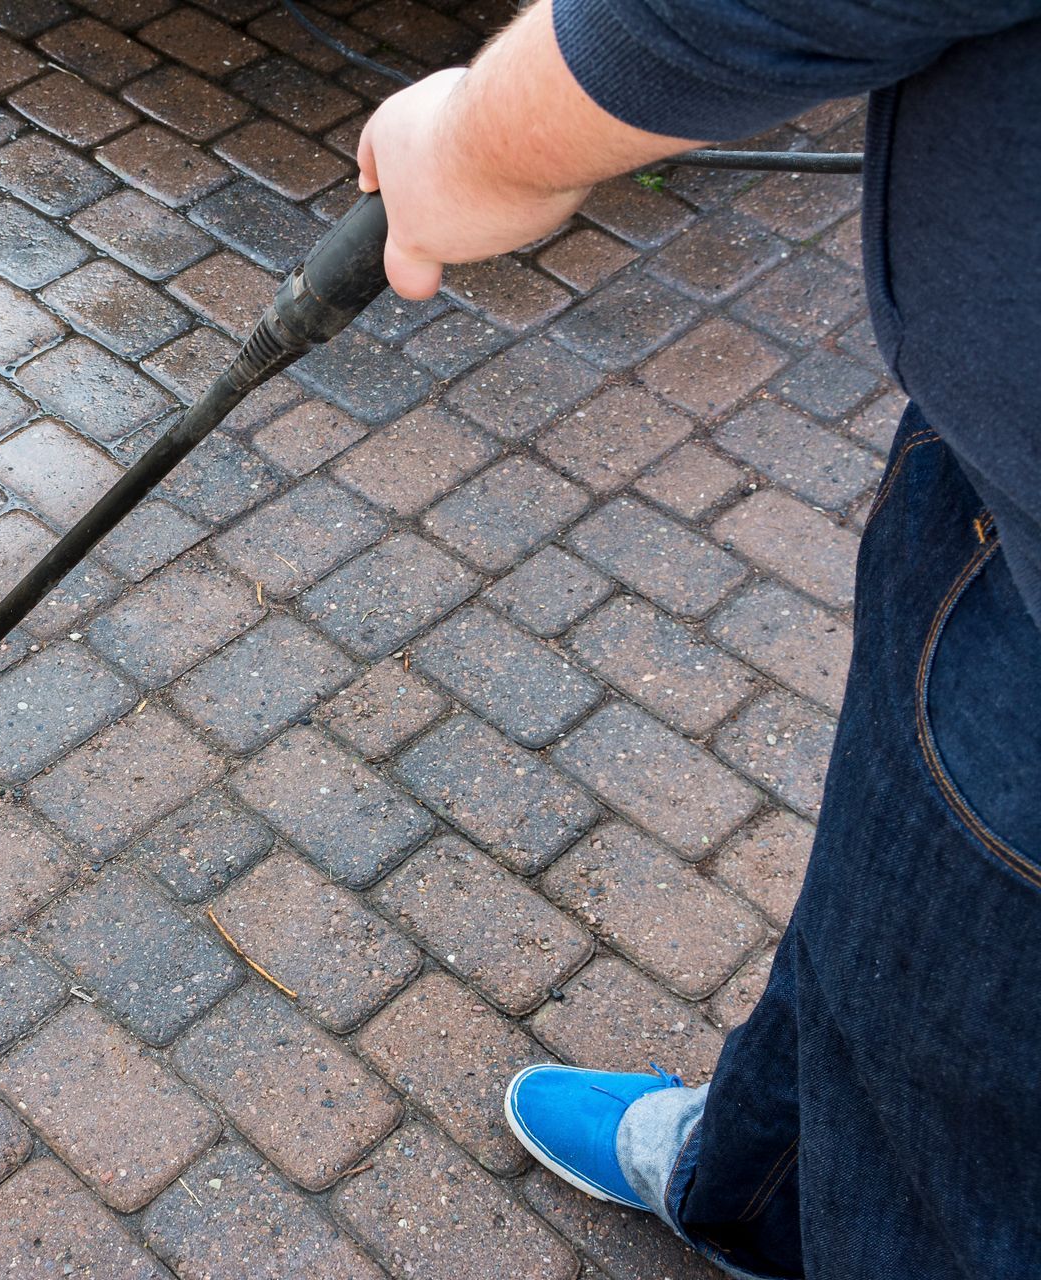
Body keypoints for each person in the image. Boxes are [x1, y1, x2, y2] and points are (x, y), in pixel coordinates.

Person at [353, 1, 1041, 1276]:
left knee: (958, 1159)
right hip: (991, 483)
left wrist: (480, 144)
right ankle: (751, 1184)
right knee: (877, 924)